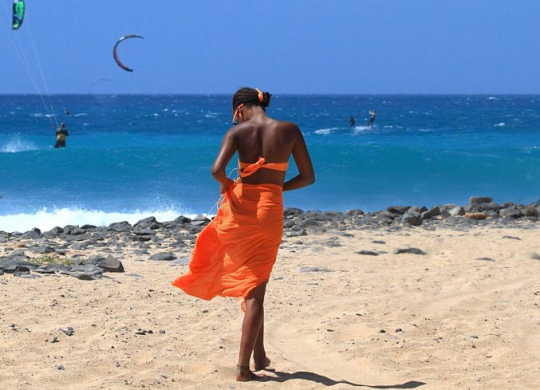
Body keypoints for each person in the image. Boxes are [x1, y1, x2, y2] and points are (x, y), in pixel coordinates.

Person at [172, 87, 315, 381]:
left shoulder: (237, 133)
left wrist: (227, 184)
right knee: (257, 286)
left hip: (241, 210)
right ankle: (252, 362)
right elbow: (308, 177)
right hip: (269, 210)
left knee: (253, 286)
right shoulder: (289, 129)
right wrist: (277, 187)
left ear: (239, 109)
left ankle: (247, 366)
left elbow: (216, 170)